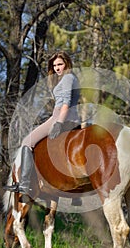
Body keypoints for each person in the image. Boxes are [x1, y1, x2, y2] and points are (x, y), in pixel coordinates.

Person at [5, 51, 81, 196]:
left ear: (67, 64)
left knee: (27, 142)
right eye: (55, 65)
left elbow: (65, 104)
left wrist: (59, 123)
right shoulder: (71, 78)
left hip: (61, 117)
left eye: (60, 64)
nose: (57, 68)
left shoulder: (67, 78)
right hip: (66, 117)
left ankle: (25, 184)